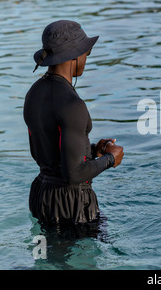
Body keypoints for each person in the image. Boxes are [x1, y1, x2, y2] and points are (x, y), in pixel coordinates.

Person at [24, 20, 124, 226]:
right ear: (75, 55)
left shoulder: (33, 93)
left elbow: (47, 153)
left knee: (51, 256)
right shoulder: (73, 104)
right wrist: (110, 159)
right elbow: (74, 174)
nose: (86, 60)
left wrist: (92, 150)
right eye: (86, 54)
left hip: (41, 194)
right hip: (71, 204)